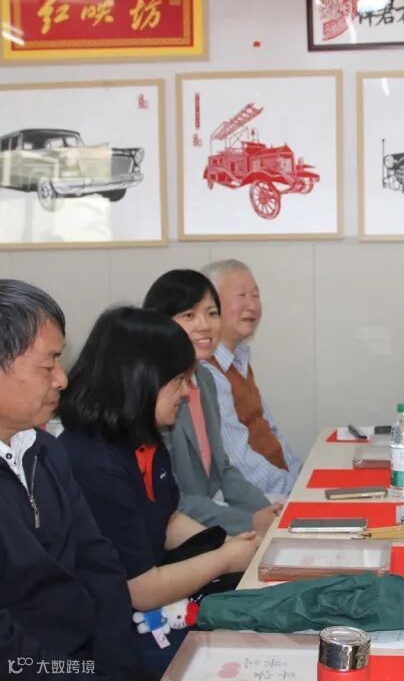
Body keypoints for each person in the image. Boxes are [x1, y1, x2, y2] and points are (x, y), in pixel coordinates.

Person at [58, 307, 260, 674]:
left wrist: (234, 544)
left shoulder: (143, 438)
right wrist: (225, 559)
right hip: (110, 639)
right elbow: (142, 589)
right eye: (180, 379)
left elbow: (165, 520)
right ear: (141, 380)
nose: (188, 391)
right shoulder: (93, 463)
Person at [0, 280, 141, 680]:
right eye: (48, 366)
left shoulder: (46, 451)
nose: (61, 380)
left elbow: (98, 561)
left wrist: (116, 669)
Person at [143, 269, 283, 535]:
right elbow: (172, 498)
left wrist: (268, 512)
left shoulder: (206, 378)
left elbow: (223, 469)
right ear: (160, 324)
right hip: (176, 533)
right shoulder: (155, 393)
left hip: (211, 519)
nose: (205, 325)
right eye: (189, 316)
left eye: (212, 313)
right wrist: (250, 523)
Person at [201, 259, 302, 498]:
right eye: (242, 295)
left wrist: (301, 477)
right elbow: (239, 462)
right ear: (211, 306)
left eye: (256, 295)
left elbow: (271, 432)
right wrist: (295, 490)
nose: (253, 305)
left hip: (279, 488)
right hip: (255, 501)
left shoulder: (239, 359)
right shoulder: (207, 372)